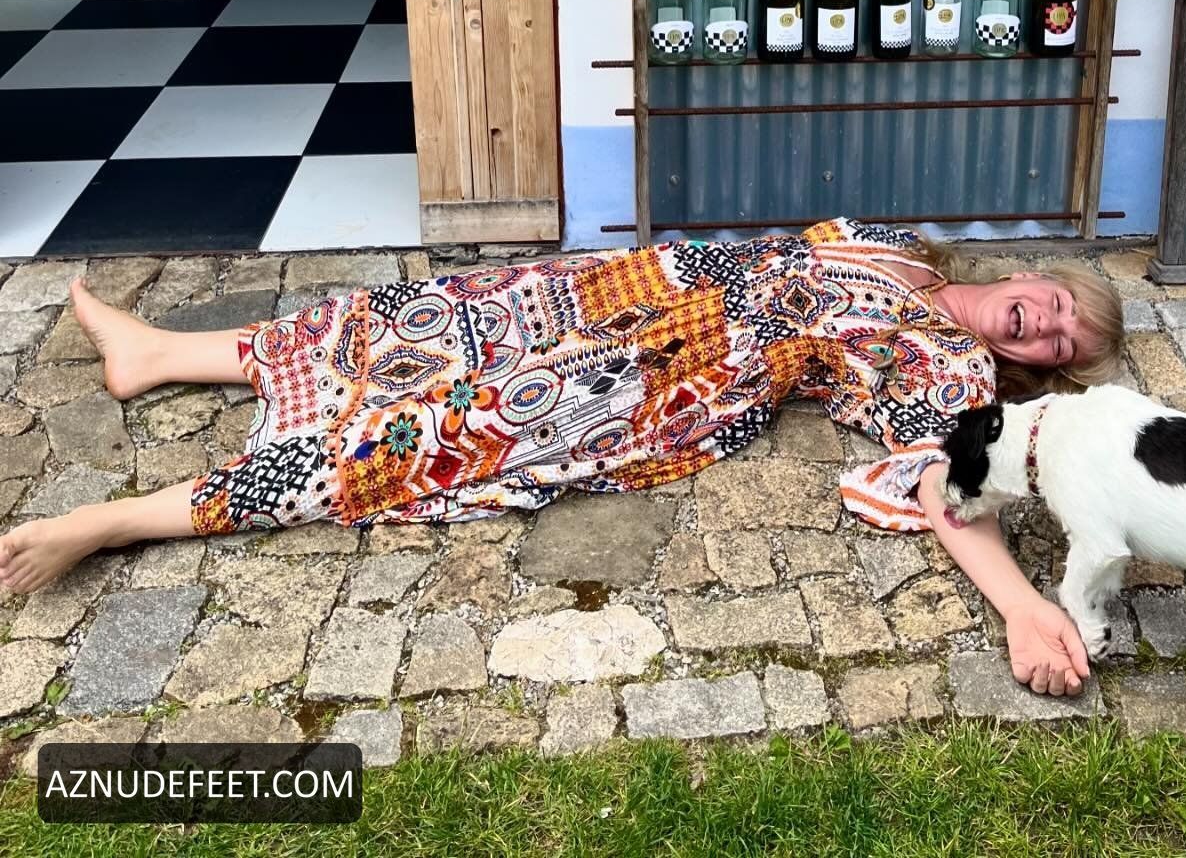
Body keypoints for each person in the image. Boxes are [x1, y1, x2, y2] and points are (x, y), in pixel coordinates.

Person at [0, 220, 1122, 697]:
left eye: (1064, 351)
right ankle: (160, 354)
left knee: (415, 442)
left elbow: (948, 484)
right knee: (403, 321)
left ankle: (114, 520)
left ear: (1039, 369)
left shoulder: (952, 373)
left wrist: (1024, 609)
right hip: (619, 286)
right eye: (1063, 308)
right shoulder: (908, 248)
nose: (1050, 332)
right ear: (1040, 275)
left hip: (654, 377)